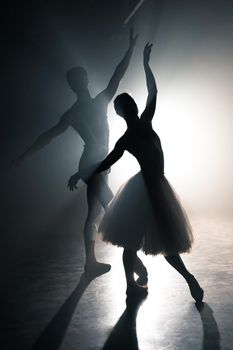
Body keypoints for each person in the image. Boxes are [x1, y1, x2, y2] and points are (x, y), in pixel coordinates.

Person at [68, 43, 204, 301]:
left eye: (130, 102)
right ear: (122, 112)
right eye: (127, 104)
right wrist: (80, 173)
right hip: (145, 191)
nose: (131, 104)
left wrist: (145, 64)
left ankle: (187, 280)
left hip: (155, 188)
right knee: (136, 243)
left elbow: (153, 91)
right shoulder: (129, 137)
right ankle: (134, 286)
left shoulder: (145, 121)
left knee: (161, 242)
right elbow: (106, 162)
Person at [11, 29, 148, 276]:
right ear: (81, 82)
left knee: (93, 213)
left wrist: (130, 49)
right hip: (93, 165)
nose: (84, 80)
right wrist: (130, 48)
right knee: (114, 210)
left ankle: (90, 263)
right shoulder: (94, 104)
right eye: (82, 78)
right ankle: (134, 263)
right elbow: (48, 136)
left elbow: (48, 136)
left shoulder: (83, 108)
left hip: (96, 163)